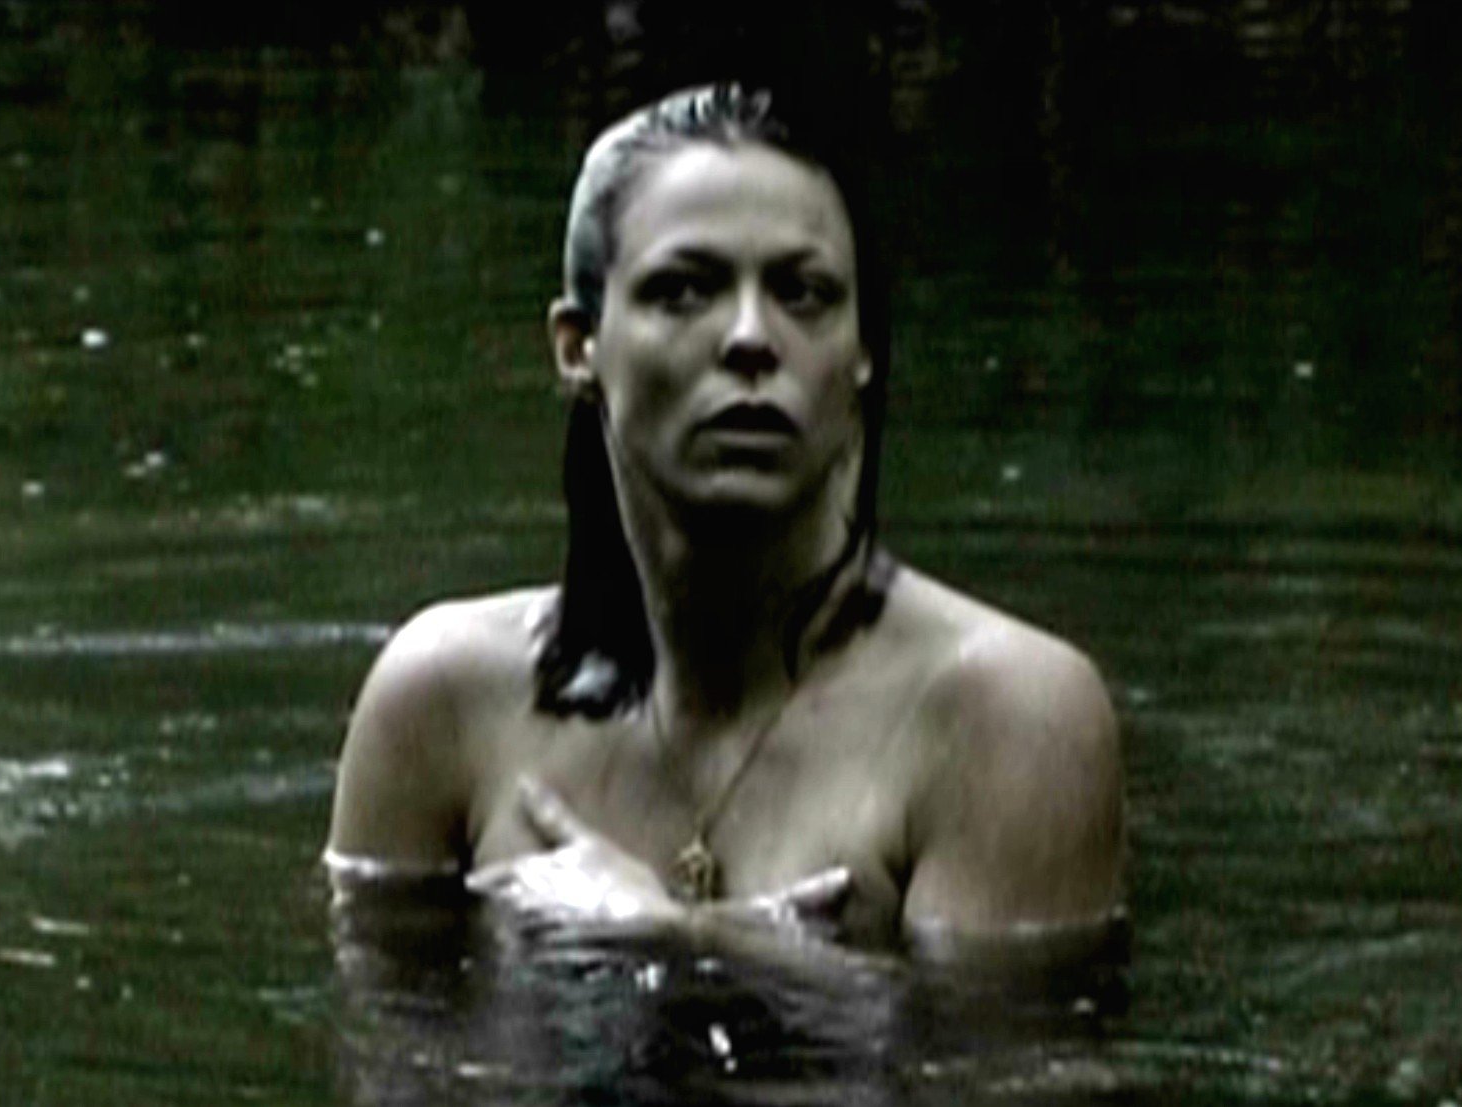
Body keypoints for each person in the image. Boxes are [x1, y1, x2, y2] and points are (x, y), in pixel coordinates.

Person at [325, 84, 1123, 953]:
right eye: (684, 290)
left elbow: (1008, 1039)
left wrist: (685, 939)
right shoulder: (443, 705)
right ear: (577, 346)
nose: (750, 337)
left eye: (803, 292)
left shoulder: (1008, 717)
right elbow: (376, 1033)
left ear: (861, 352)